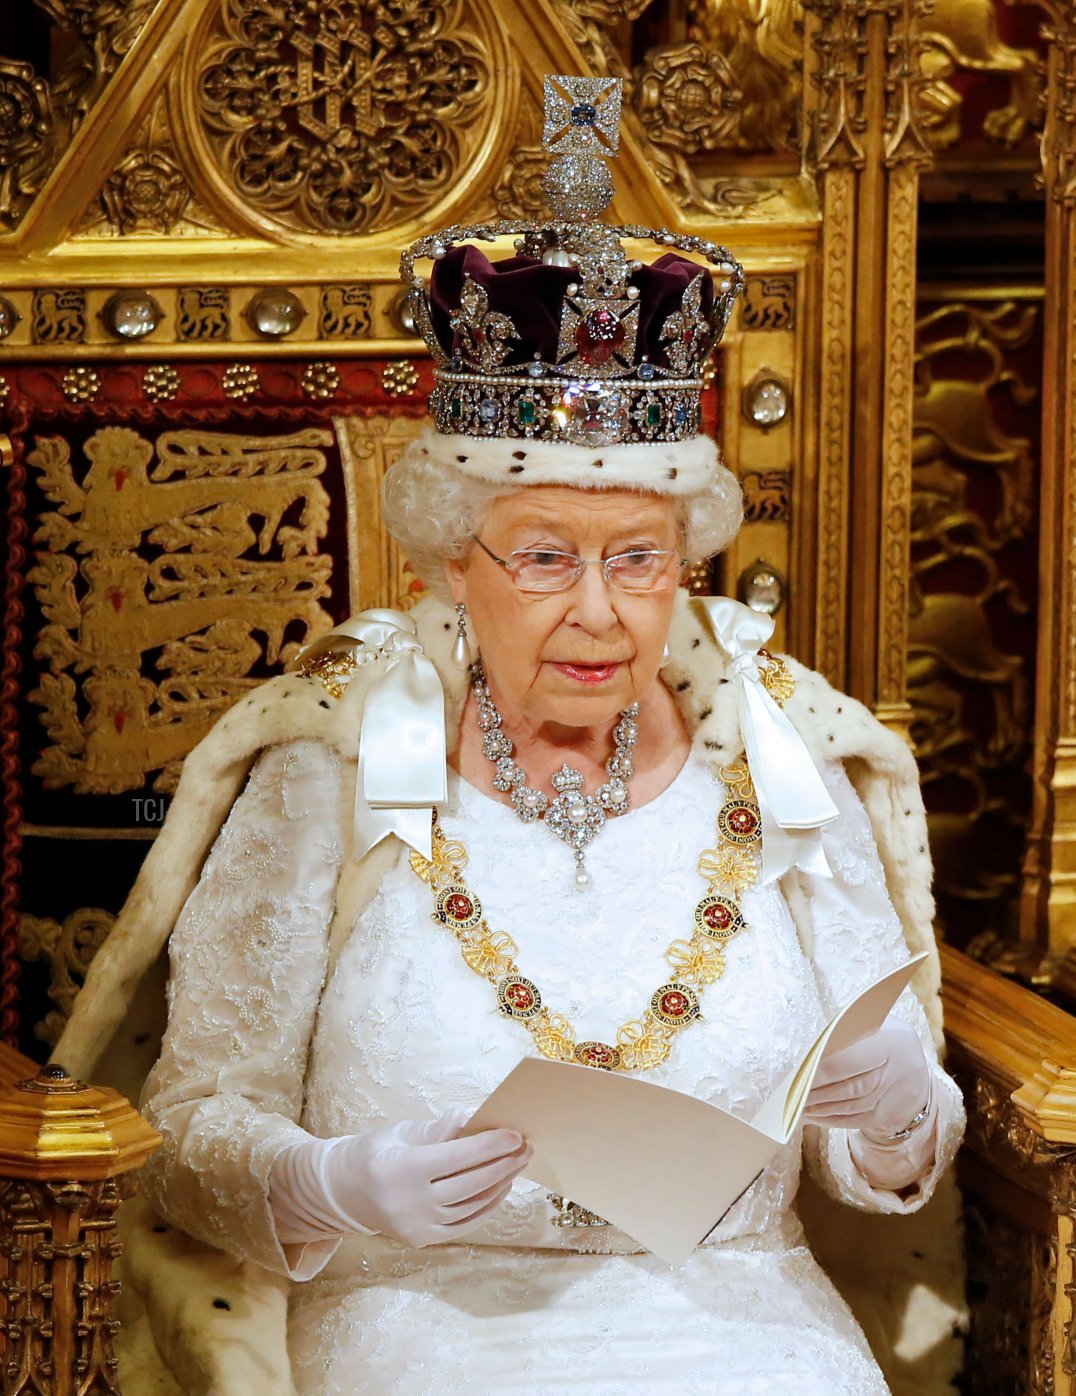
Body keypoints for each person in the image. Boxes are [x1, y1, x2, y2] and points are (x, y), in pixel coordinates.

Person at [57, 74, 964, 1396]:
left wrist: (895, 1109)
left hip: (748, 1324)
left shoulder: (787, 766)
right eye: (545, 555)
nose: (599, 612)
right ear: (445, 564)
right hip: (415, 1323)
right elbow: (189, 1131)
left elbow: (887, 1158)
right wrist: (327, 1183)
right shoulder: (333, 767)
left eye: (640, 560)